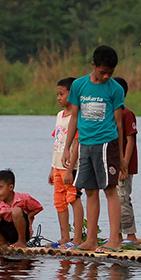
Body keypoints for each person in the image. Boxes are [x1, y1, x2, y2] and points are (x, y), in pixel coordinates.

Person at [64, 45, 125, 253]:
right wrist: (67, 148)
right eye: (102, 72)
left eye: (110, 72)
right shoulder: (79, 85)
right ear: (93, 66)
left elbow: (119, 123)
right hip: (85, 144)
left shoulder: (115, 89)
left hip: (107, 144)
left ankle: (114, 240)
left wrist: (123, 156)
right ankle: (91, 239)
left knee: (109, 189)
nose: (106, 76)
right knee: (90, 191)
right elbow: (74, 118)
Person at [49, 76, 83, 248]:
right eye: (57, 94)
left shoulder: (77, 117)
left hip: (71, 167)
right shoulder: (59, 116)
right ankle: (65, 236)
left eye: (62, 94)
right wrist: (52, 168)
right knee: (59, 200)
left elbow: (77, 143)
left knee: (73, 198)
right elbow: (57, 143)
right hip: (57, 166)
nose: (58, 98)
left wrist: (71, 169)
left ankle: (77, 238)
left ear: (73, 93)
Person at [108, 77, 140, 245]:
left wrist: (124, 164)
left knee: (123, 198)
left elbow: (130, 140)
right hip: (112, 164)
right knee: (115, 197)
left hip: (123, 166)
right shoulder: (111, 113)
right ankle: (117, 235)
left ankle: (131, 235)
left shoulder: (126, 114)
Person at [0, 169, 43, 254]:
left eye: (0, 187)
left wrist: (28, 216)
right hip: (7, 231)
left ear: (11, 187)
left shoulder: (24, 198)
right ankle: (2, 241)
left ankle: (21, 241)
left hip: (22, 232)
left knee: (16, 211)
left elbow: (38, 208)